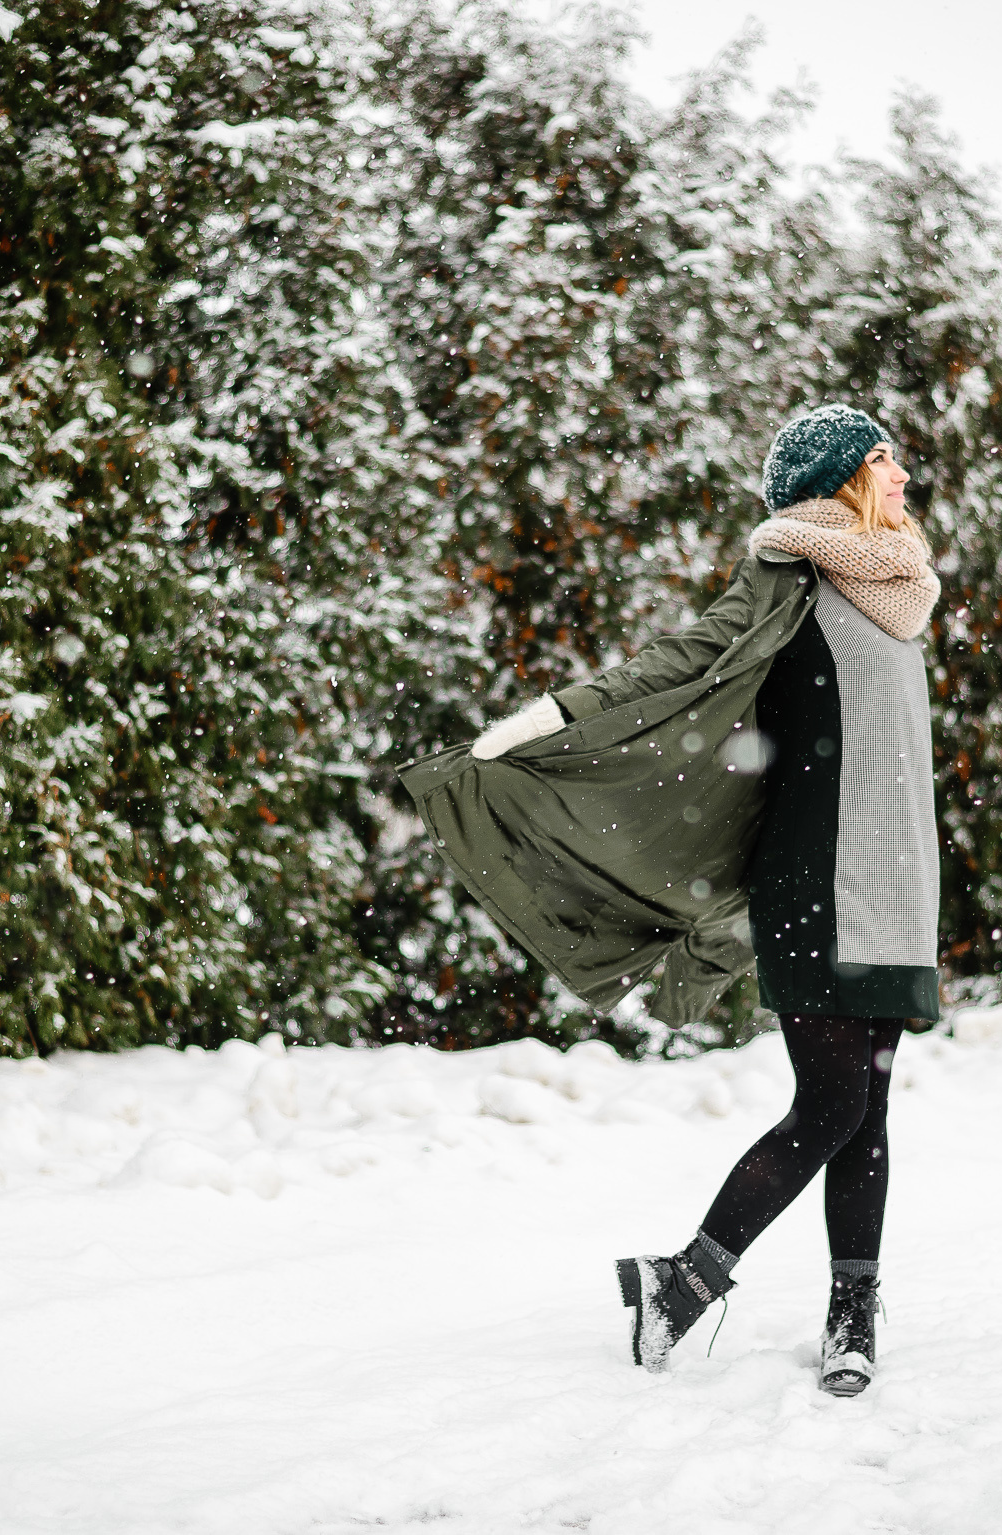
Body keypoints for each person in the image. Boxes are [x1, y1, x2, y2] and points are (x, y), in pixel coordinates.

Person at [398, 404, 941, 1395]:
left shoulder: (896, 583)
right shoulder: (794, 571)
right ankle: (684, 1281)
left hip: (894, 877)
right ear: (838, 479)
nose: (900, 473)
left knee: (864, 1106)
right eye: (881, 458)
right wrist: (554, 713)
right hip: (814, 880)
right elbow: (688, 657)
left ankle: (849, 1315)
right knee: (829, 1101)